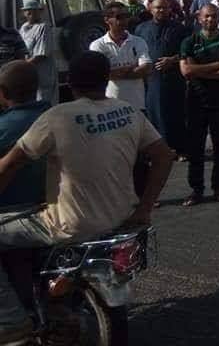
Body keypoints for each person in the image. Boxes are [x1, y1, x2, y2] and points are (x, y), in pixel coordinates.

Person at [0, 52, 173, 343]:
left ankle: (11, 319)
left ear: (70, 82)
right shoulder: (128, 111)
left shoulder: (56, 117)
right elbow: (164, 156)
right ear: (107, 80)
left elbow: (11, 164)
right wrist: (144, 208)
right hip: (123, 218)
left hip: (68, 224)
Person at [180, 4, 219, 207]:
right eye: (206, 16)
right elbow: (186, 71)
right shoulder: (190, 41)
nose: (210, 20)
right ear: (199, 18)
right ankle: (196, 189)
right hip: (195, 100)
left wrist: (200, 70)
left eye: (214, 16)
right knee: (195, 147)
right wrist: (216, 66)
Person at [136, 0, 191, 158]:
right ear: (150, 9)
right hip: (150, 80)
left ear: (170, 10)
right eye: (158, 8)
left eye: (165, 8)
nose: (161, 10)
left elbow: (188, 51)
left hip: (173, 79)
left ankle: (179, 148)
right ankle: (157, 150)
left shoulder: (179, 29)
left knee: (175, 113)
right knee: (153, 113)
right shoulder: (141, 29)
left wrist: (172, 60)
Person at [0, 61, 48, 209]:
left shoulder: (5, 127)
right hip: (50, 203)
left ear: (3, 92)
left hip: (12, 211)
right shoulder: (53, 115)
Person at [89, 2, 152, 114]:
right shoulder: (98, 45)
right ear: (107, 20)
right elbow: (99, 74)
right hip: (110, 107)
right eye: (119, 17)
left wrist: (113, 72)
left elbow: (146, 69)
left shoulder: (138, 41)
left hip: (137, 105)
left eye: (126, 16)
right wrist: (131, 68)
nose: (124, 20)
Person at [18, 0, 57, 105]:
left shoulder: (44, 27)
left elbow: (41, 54)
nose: (29, 13)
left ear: (39, 12)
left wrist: (20, 66)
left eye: (33, 11)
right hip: (29, 74)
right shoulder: (23, 28)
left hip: (42, 74)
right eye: (27, 11)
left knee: (43, 104)